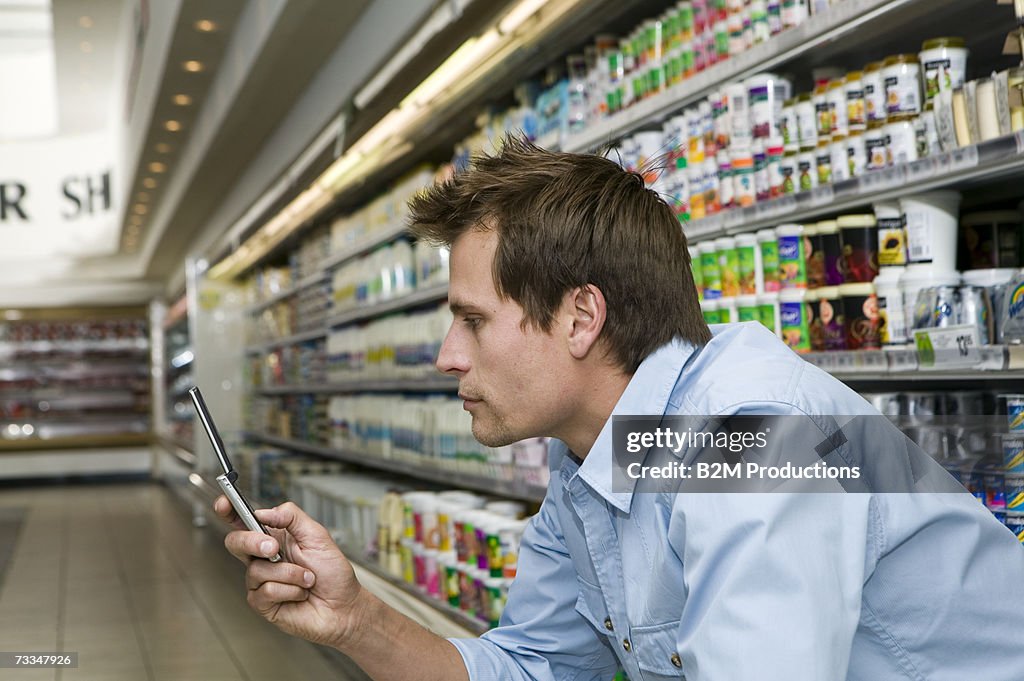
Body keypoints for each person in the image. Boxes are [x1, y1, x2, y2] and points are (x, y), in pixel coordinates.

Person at [218, 137, 1024, 681]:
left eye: (471, 319)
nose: (447, 356)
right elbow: (534, 665)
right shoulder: (602, 459)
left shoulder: (757, 434)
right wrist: (354, 616)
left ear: (580, 317)